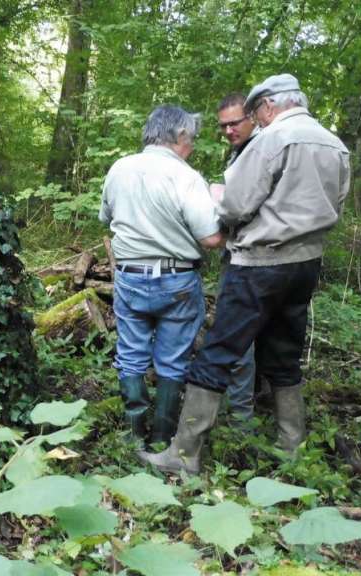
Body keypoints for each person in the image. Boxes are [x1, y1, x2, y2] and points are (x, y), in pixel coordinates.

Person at [140, 74, 350, 474]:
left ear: (269, 105)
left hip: (260, 264)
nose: (256, 118)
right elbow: (336, 204)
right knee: (284, 354)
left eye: (256, 110)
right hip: (306, 263)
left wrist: (219, 200)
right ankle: (292, 448)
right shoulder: (334, 144)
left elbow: (236, 205)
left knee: (218, 352)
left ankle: (183, 455)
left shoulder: (272, 140)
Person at [99, 105, 224, 447]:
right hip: (176, 280)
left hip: (130, 276)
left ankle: (134, 436)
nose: (192, 146)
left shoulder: (119, 168)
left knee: (130, 357)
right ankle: (161, 438)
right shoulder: (186, 176)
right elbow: (211, 239)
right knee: (172, 361)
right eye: (192, 138)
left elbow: (105, 217)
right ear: (179, 135)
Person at [215, 92, 258, 422]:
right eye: (223, 126)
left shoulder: (259, 151)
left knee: (237, 334)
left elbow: (239, 208)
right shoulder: (240, 152)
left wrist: (217, 200)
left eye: (235, 123)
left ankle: (240, 419)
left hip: (250, 258)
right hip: (242, 254)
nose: (229, 131)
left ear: (253, 117)